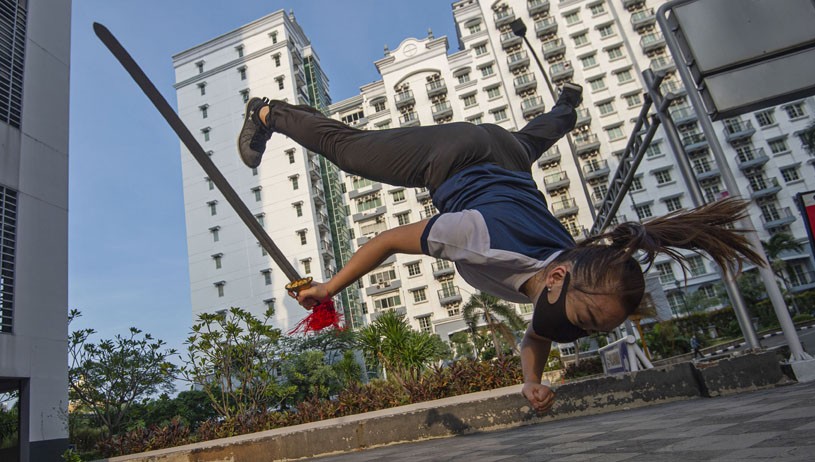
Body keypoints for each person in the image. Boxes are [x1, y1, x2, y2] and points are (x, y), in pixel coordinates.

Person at [236, 83, 764, 413]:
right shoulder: (482, 239)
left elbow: (537, 336)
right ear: (558, 280)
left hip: (510, 152)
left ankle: (566, 108)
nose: (577, 333)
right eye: (584, 319)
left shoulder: (568, 273)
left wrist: (531, 382)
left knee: (539, 136)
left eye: (593, 329)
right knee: (348, 152)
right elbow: (389, 240)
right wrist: (330, 287)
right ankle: (267, 113)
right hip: (454, 156)